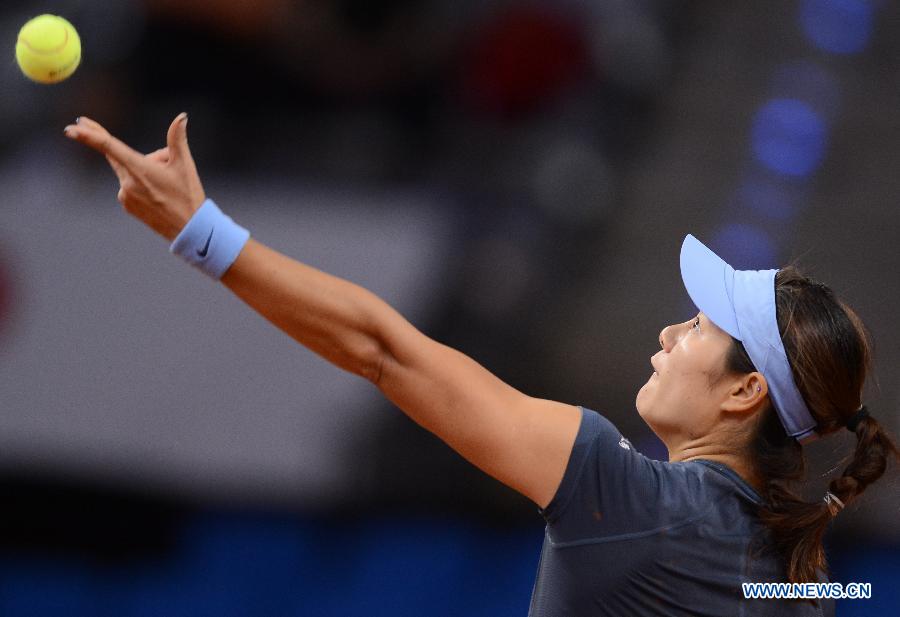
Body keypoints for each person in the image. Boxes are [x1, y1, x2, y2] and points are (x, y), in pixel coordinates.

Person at [64, 114, 897, 616]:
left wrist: (200, 230)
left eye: (699, 326)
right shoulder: (800, 580)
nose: (670, 334)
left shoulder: (633, 498)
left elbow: (385, 350)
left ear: (747, 390)